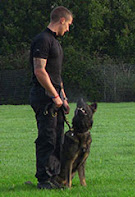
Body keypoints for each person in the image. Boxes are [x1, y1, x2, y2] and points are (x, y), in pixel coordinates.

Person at [29, 6, 73, 189]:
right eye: (68, 24)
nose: (68, 29)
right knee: (47, 138)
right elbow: (40, 71)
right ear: (61, 20)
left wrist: (63, 97)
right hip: (44, 97)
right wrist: (54, 96)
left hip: (55, 98)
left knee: (57, 139)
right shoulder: (42, 40)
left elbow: (55, 74)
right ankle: (44, 179)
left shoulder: (55, 42)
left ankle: (55, 177)